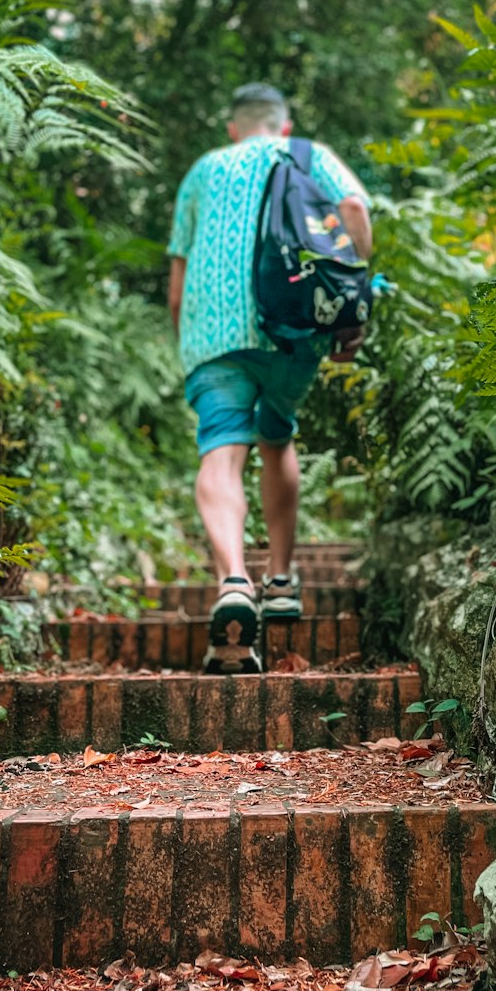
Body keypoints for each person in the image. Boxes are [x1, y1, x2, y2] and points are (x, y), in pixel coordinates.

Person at [168, 83, 372, 673]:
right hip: (293, 329)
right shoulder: (307, 154)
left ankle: (233, 580)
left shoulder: (203, 170)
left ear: (233, 128)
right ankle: (281, 579)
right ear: (282, 126)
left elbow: (177, 284)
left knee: (221, 449)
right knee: (276, 433)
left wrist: (190, 342)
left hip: (214, 336)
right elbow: (354, 210)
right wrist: (352, 308)